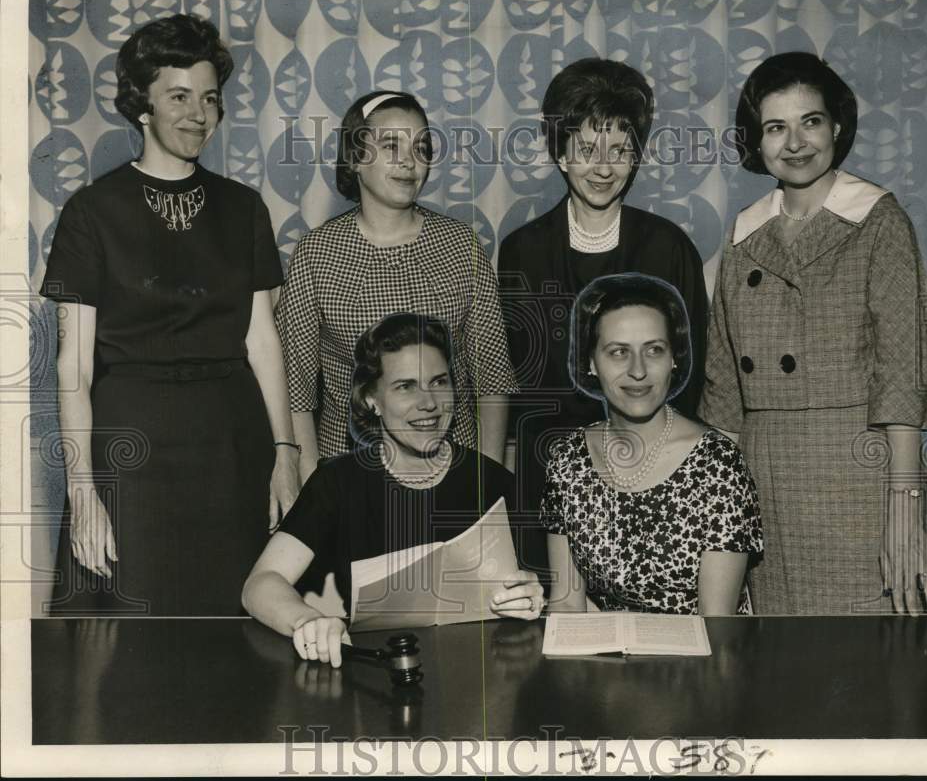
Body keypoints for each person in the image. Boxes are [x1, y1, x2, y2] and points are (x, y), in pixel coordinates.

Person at [40, 14, 299, 616]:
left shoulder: (244, 209)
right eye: (178, 96)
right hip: (133, 447)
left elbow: (263, 341)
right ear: (142, 107)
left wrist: (285, 451)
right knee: (131, 635)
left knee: (238, 633)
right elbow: (73, 369)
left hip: (232, 447)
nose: (198, 114)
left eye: (209, 98)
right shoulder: (92, 212)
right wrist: (83, 492)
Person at [698, 52, 927, 615]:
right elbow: (722, 393)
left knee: (865, 659)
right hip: (764, 478)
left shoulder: (880, 219)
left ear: (836, 125)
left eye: (810, 121)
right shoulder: (743, 232)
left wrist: (904, 502)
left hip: (859, 468)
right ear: (757, 142)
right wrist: (722, 512)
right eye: (775, 127)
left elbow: (904, 374)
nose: (795, 142)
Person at [498, 58, 709, 578]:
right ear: (560, 153)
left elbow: (692, 376)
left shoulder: (668, 248)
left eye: (619, 150)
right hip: (547, 487)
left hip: (653, 482)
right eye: (586, 149)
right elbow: (518, 384)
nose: (603, 166)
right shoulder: (520, 252)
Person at [243, 313, 542, 664]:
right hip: (376, 678)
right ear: (372, 399)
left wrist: (532, 593)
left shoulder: (495, 481)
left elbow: (539, 587)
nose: (428, 402)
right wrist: (308, 620)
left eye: (439, 382)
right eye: (405, 386)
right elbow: (260, 584)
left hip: (478, 680)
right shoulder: (339, 482)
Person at [276, 90, 515, 480]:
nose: (409, 161)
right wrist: (313, 488)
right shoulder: (316, 253)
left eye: (421, 147)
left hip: (453, 471)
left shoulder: (460, 245)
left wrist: (485, 479)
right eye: (391, 145)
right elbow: (296, 389)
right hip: (351, 472)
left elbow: (492, 376)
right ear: (355, 158)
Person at [542, 274, 762, 615]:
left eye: (654, 350)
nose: (638, 371)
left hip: (697, 660)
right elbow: (566, 602)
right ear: (590, 363)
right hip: (602, 658)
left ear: (674, 358)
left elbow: (716, 624)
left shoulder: (718, 465)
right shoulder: (568, 461)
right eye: (618, 353)